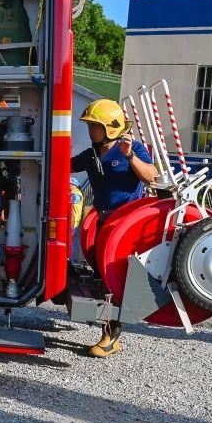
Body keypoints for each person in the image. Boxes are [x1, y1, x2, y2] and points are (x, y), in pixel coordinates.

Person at [70, 99, 158, 358]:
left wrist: (130, 156)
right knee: (100, 274)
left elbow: (152, 175)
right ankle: (108, 329)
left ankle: (111, 336)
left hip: (125, 226)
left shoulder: (131, 148)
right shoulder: (90, 155)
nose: (90, 130)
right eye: (90, 125)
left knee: (114, 279)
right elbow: (63, 164)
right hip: (101, 222)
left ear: (110, 127)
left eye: (94, 126)